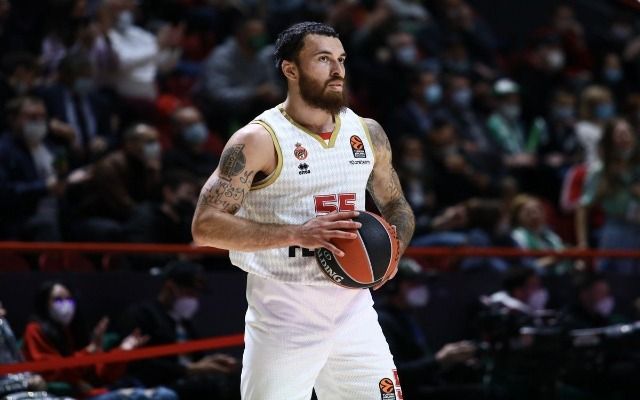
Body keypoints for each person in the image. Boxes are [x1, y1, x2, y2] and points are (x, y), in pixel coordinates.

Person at [191, 22, 415, 399]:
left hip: (354, 307)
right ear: (290, 69)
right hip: (285, 310)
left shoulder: (367, 132)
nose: (338, 70)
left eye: (341, 59)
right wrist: (297, 234)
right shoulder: (258, 139)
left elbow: (396, 204)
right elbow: (205, 226)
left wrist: (395, 251)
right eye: (323, 59)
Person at [21, 281, 177, 400]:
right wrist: (89, 352)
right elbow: (52, 373)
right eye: (58, 300)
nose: (66, 304)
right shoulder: (35, 330)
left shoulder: (73, 331)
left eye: (69, 299)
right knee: (161, 395)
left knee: (164, 394)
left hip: (95, 392)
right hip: (67, 396)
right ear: (44, 304)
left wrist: (123, 351)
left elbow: (100, 375)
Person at [119, 261, 240, 400]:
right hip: (160, 384)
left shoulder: (185, 323)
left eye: (197, 293)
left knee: (233, 381)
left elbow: (194, 359)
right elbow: (140, 364)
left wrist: (210, 362)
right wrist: (190, 369)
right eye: (190, 292)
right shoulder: (143, 315)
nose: (194, 298)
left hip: (188, 382)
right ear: (170, 286)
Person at [375, 259, 480, 400]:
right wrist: (439, 359)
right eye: (413, 284)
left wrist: (452, 361)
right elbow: (395, 373)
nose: (420, 289)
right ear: (393, 286)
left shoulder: (409, 316)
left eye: (421, 283)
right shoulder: (382, 320)